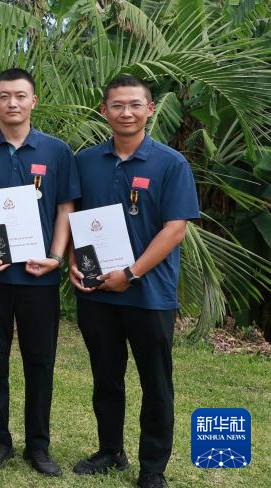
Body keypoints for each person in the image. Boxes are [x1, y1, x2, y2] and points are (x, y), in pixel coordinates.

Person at [70, 75, 198, 488]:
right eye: (117, 105)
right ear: (104, 110)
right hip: (98, 293)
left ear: (150, 109)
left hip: (150, 295)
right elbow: (74, 217)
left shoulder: (170, 164)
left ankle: (152, 467)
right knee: (106, 378)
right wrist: (73, 260)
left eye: (135, 105)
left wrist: (131, 273)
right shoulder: (86, 161)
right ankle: (111, 451)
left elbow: (175, 229)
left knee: (155, 384)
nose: (126, 113)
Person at [0, 68, 79, 477]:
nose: (12, 103)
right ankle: (0, 439)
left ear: (33, 101)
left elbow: (65, 207)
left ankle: (38, 445)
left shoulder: (57, 152)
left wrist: (56, 256)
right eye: (4, 96)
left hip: (38, 277)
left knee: (40, 361)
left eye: (20, 96)